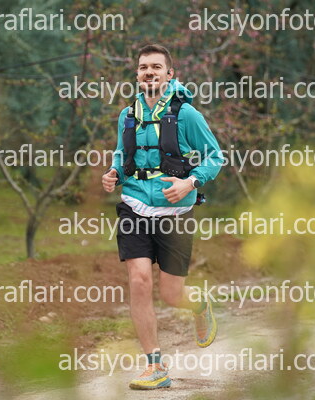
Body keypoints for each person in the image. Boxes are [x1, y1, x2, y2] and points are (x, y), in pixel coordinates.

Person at [101, 44, 224, 389]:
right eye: (144, 67)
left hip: (175, 213)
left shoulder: (187, 115)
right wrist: (113, 173)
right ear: (137, 75)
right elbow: (121, 154)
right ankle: (155, 366)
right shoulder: (127, 114)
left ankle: (198, 305)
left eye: (156, 67)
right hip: (134, 206)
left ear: (170, 74)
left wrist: (190, 182)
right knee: (139, 280)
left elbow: (215, 156)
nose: (149, 72)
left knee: (172, 294)